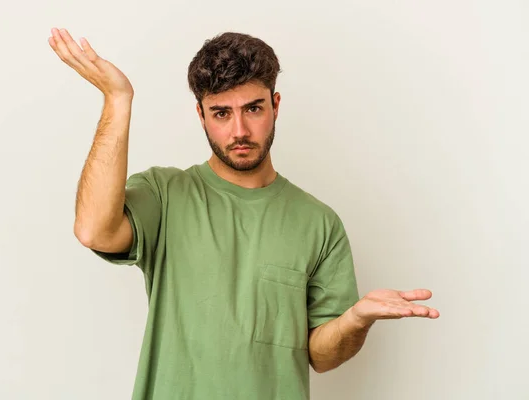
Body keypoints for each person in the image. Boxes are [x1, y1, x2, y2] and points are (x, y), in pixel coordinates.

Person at [48, 27, 440, 400]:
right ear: (201, 115)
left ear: (276, 105)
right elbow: (94, 231)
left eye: (253, 108)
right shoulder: (164, 194)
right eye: (221, 113)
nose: (239, 130)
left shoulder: (319, 222)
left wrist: (356, 319)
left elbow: (322, 356)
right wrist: (118, 101)